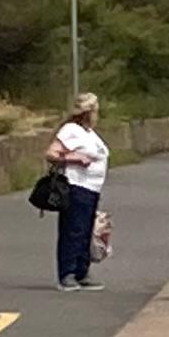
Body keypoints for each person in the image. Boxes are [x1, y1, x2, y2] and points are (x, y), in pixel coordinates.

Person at [45, 93, 109, 290]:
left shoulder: (88, 132)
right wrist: (74, 159)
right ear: (88, 112)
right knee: (74, 230)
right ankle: (67, 273)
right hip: (76, 186)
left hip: (92, 187)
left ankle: (82, 271)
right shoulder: (71, 130)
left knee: (86, 231)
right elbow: (52, 153)